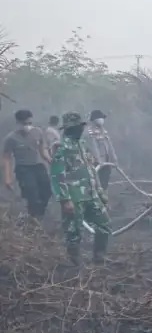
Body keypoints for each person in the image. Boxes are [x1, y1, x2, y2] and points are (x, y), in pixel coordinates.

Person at [50, 112, 110, 265]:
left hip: (91, 193)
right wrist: (64, 200)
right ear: (70, 128)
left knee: (104, 224)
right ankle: (74, 262)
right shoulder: (61, 147)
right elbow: (57, 175)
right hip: (74, 196)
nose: (80, 130)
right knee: (74, 230)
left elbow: (91, 169)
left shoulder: (82, 145)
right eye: (77, 127)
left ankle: (99, 256)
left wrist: (100, 191)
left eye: (80, 127)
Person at [2, 109, 53, 221]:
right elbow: (7, 158)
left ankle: (38, 213)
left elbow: (42, 149)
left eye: (30, 123)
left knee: (47, 191)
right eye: (25, 124)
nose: (28, 126)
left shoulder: (38, 132)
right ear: (18, 123)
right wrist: (8, 178)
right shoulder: (11, 138)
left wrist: (50, 160)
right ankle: (33, 217)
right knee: (32, 192)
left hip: (38, 165)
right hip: (23, 169)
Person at [85, 109, 117, 190]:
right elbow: (93, 147)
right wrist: (99, 161)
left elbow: (110, 146)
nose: (101, 120)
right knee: (96, 184)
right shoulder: (89, 132)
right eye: (99, 118)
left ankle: (103, 199)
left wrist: (114, 159)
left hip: (106, 162)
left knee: (104, 184)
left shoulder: (104, 131)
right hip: (95, 164)